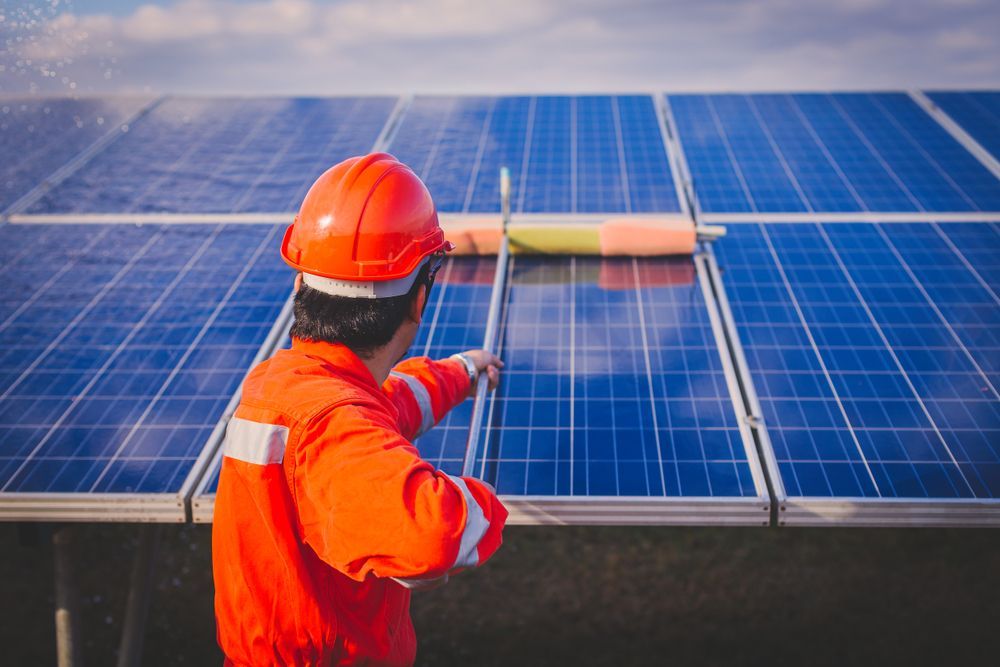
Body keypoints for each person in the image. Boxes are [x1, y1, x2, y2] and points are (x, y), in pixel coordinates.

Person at [212, 153, 508, 666]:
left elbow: (384, 405)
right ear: (420, 300)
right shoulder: (328, 421)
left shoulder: (292, 384)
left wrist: (460, 370)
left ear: (300, 284)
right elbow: (433, 536)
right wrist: (483, 501)